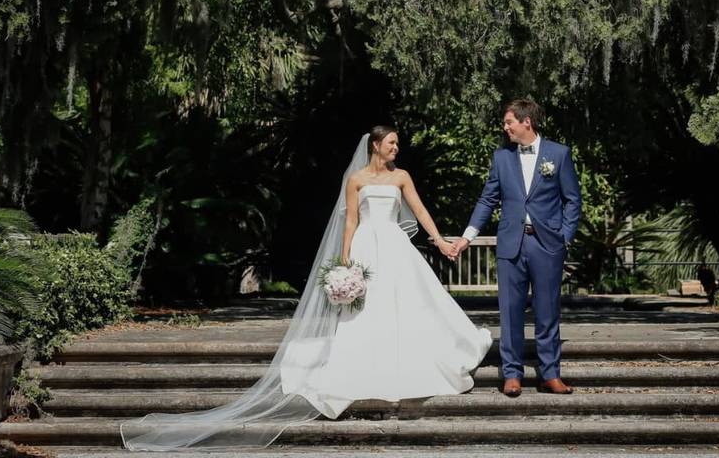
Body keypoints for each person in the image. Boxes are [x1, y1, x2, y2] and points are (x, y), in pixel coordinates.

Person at [121, 127, 491, 450]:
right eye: (392, 143)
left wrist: (440, 241)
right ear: (375, 145)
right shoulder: (356, 180)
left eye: (397, 144)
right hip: (365, 248)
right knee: (363, 312)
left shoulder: (403, 177)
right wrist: (345, 263)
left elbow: (421, 211)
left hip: (395, 246)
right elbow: (349, 223)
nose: (397, 148)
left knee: (411, 302)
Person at [452, 99, 581, 398]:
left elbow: (572, 199)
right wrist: (467, 237)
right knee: (510, 310)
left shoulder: (558, 154)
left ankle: (550, 374)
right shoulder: (502, 158)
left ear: (527, 122)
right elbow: (487, 200)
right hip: (511, 242)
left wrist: (565, 237)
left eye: (509, 121)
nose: (505, 127)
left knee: (547, 310)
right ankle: (512, 374)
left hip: (547, 243)